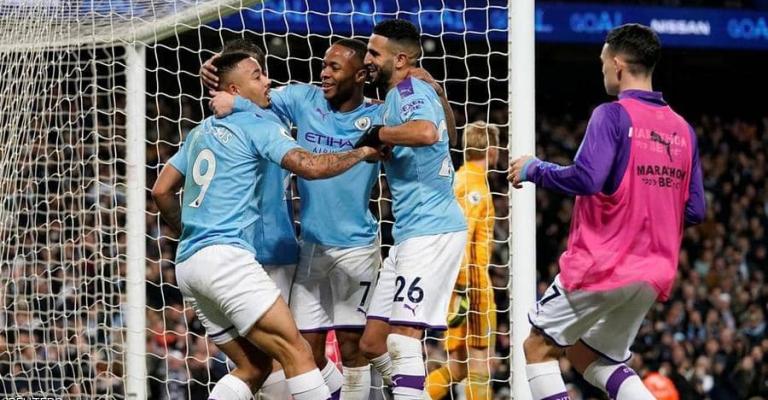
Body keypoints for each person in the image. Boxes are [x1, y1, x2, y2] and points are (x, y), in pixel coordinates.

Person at [202, 37, 456, 400]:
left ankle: (407, 388)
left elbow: (442, 134)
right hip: (311, 248)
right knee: (308, 353)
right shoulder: (302, 99)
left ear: (360, 76)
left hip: (357, 248)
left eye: (334, 67)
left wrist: (437, 93)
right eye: (324, 64)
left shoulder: (381, 115)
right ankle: (404, 386)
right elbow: (253, 95)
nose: (324, 73)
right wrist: (223, 89)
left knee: (355, 350)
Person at [152, 41, 384, 400]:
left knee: (257, 367)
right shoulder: (264, 125)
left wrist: (195, 235)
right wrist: (364, 151)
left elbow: (161, 190)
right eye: (258, 75)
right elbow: (309, 166)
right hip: (250, 255)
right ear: (235, 87)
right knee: (294, 355)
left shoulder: (202, 129)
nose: (268, 83)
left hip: (192, 261)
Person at [507, 23, 705, 400]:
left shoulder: (612, 115)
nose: (601, 70)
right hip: (654, 272)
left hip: (604, 264)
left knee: (537, 348)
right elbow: (695, 210)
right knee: (591, 357)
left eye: (602, 62)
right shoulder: (683, 130)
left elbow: (587, 178)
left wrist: (535, 168)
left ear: (617, 64)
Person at [356, 19, 468, 400]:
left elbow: (427, 132)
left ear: (401, 59)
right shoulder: (401, 94)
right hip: (409, 234)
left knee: (403, 339)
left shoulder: (408, 90)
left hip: (431, 230)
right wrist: (439, 92)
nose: (367, 59)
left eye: (374, 53)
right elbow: (449, 133)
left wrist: (379, 134)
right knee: (373, 343)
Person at [425, 121, 500, 399]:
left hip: (458, 285)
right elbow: (462, 237)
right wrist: (464, 287)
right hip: (472, 287)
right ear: (491, 151)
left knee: (457, 368)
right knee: (480, 363)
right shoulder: (473, 185)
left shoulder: (459, 179)